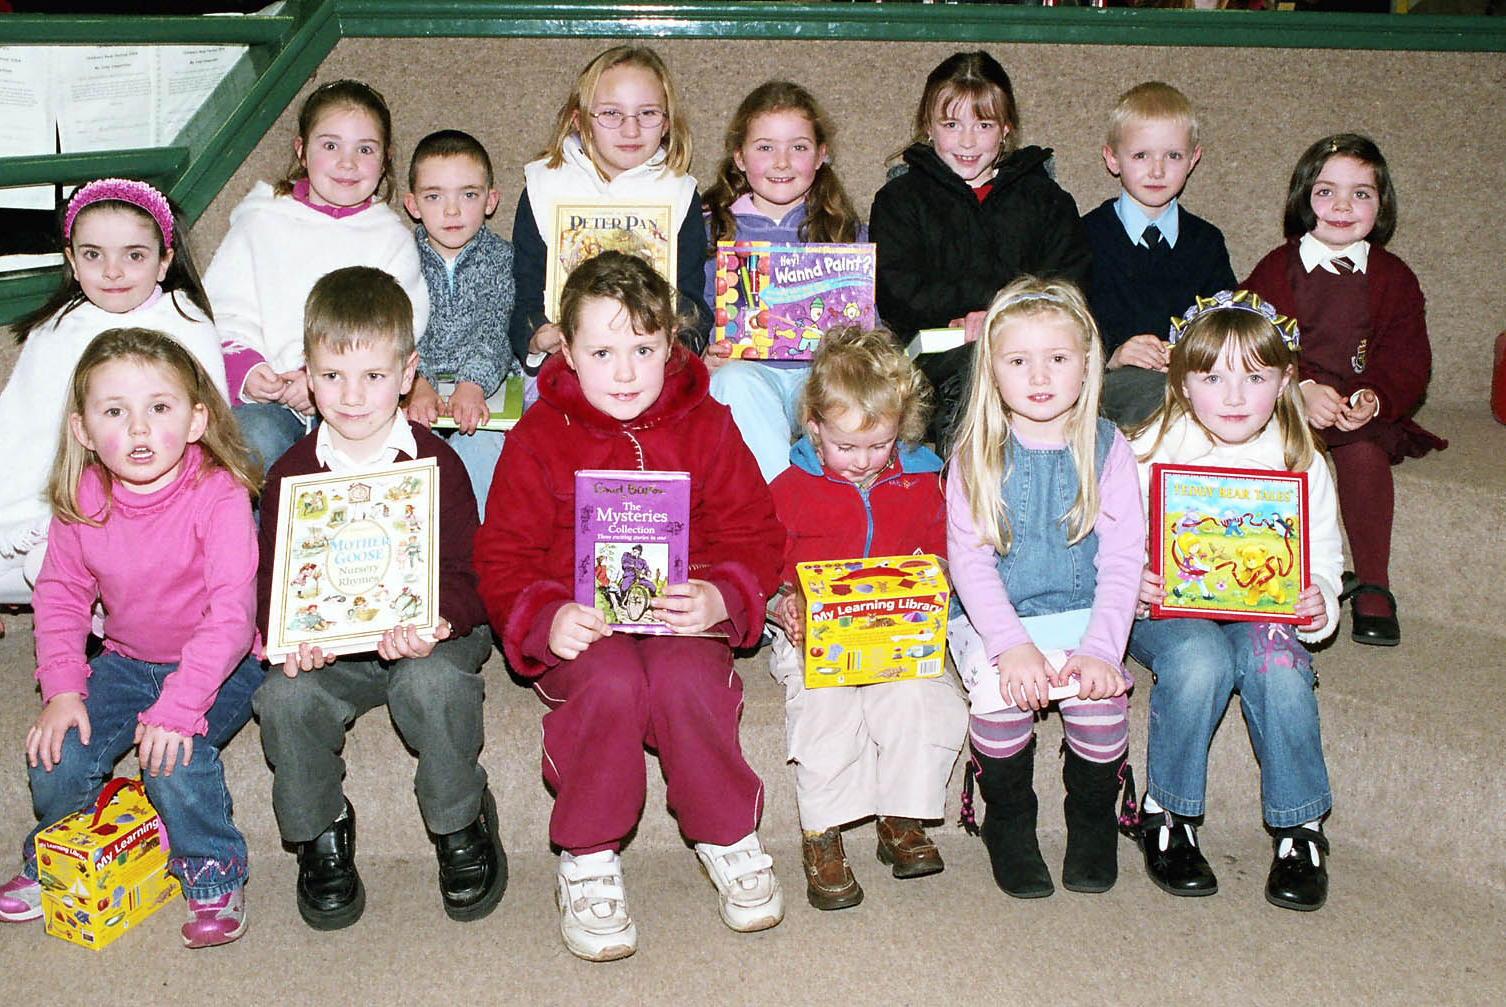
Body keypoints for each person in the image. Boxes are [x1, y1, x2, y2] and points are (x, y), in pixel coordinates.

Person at [475, 251, 784, 962]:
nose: (624, 371)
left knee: (682, 679)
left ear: (671, 346)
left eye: (643, 350)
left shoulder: (709, 423)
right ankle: (587, 851)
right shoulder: (537, 437)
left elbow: (757, 532)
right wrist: (546, 614)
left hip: (682, 614)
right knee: (613, 679)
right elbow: (503, 557)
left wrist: (721, 593)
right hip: (582, 629)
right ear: (568, 352)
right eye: (603, 351)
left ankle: (726, 831)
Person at [0, 327, 266, 948]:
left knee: (172, 757)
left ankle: (212, 868)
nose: (138, 429)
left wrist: (180, 707)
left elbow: (231, 615)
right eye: (115, 412)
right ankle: (56, 860)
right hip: (128, 659)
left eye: (158, 409)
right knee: (58, 751)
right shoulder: (82, 498)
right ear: (83, 429)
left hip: (225, 661)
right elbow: (60, 597)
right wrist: (62, 688)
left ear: (195, 421)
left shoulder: (217, 494)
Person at [250, 267, 502, 930]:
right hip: (337, 647)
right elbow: (273, 577)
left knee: (431, 686)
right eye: (332, 376)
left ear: (407, 372)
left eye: (372, 376)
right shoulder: (290, 475)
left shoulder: (435, 461)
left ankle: (459, 818)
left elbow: (472, 574)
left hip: (431, 633)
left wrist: (438, 617)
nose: (353, 395)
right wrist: (285, 631)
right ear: (306, 375)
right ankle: (321, 830)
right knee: (284, 696)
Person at [0, 178, 225, 635]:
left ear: (164, 262)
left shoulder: (186, 323)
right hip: (61, 507)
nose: (113, 271)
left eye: (134, 255)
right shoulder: (59, 330)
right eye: (93, 254)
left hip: (153, 514)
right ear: (72, 262)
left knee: (48, 562)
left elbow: (211, 441)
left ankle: (123, 615)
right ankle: (103, 601)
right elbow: (14, 442)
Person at [1126, 290, 1343, 911]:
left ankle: (1300, 827)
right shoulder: (1149, 447)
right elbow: (1103, 541)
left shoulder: (1300, 458)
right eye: (1212, 376)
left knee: (1277, 662)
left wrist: (1320, 602)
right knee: (1201, 658)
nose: (1233, 395)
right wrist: (1132, 584)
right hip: (1166, 609)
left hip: (1263, 610)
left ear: (1284, 384)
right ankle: (1168, 812)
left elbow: (1324, 559)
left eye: (1254, 377)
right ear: (1182, 384)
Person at [943, 277, 1143, 898]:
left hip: (1083, 612)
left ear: (1087, 365)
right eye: (1018, 360)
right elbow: (970, 567)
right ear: (992, 371)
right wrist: (1011, 647)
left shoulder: (1110, 450)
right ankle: (1010, 817)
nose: (1039, 376)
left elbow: (1122, 562)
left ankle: (1092, 819)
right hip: (990, 618)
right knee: (1001, 697)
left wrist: (1103, 649)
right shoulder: (973, 453)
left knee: (1099, 699)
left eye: (1058, 358)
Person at [764, 326, 965, 911]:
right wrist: (781, 600)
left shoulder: (923, 481)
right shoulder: (791, 487)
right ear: (814, 428)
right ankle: (821, 833)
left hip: (899, 634)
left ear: (899, 428)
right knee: (826, 707)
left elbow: (946, 549)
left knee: (924, 699)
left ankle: (901, 817)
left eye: (878, 446)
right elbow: (759, 559)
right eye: (845, 447)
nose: (862, 462)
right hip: (813, 631)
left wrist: (935, 579)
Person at [1243, 133, 1443, 647]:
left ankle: (1374, 581)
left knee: (1365, 456)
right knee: (1275, 456)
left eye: (1361, 194)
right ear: (1303, 199)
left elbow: (1408, 357)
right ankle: (1278, 573)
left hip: (1359, 405)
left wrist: (1374, 395)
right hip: (1288, 403)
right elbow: (1248, 341)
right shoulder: (1275, 269)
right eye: (1326, 191)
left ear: (1382, 205)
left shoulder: (1393, 278)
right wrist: (1298, 387)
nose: (1342, 206)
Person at [204, 79, 428, 474]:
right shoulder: (261, 220)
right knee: (253, 443)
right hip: (269, 400)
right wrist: (250, 372)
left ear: (385, 160)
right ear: (301, 151)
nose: (347, 163)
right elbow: (223, 308)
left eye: (364, 149)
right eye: (330, 146)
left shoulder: (390, 238)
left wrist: (323, 379)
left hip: (358, 398)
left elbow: (402, 324)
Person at [870, 51, 1091, 446]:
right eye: (951, 124)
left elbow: (1069, 281)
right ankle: (969, 490)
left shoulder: (1046, 199)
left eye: (984, 124)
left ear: (1006, 128)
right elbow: (895, 289)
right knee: (975, 366)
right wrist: (971, 315)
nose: (968, 141)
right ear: (928, 126)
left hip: (1035, 348)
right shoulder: (899, 200)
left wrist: (1000, 315)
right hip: (936, 359)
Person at [509, 45, 711, 375]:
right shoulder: (544, 186)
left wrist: (678, 350)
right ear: (579, 121)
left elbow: (690, 301)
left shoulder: (679, 192)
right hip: (565, 364)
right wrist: (535, 338)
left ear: (666, 124)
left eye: (647, 113)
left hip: (651, 368)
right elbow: (524, 294)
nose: (630, 130)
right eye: (611, 113)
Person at [700, 80, 867, 481]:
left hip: (821, 371)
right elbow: (699, 308)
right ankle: (779, 505)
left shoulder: (845, 229)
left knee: (855, 386)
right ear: (739, 157)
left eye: (798, 147)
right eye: (765, 147)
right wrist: (707, 353)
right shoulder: (714, 227)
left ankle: (832, 504)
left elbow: (868, 316)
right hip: (749, 370)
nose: (782, 162)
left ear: (821, 155)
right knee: (732, 381)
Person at [1082, 82, 1236, 427]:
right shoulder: (1083, 236)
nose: (1157, 170)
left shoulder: (1206, 242)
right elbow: (1066, 319)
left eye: (1173, 156)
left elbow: (1225, 322)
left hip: (1194, 382)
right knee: (1156, 397)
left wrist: (1189, 355)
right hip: (1112, 383)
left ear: (1193, 159)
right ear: (1112, 159)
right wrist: (1113, 353)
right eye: (1141, 156)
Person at [400, 129, 517, 519]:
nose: (452, 211)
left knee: (483, 453)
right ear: (413, 205)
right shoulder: (400, 256)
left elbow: (497, 328)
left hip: (484, 391)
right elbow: (400, 330)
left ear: (491, 200)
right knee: (404, 448)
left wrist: (473, 383)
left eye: (468, 195)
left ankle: (475, 550)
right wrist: (418, 382)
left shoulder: (502, 258)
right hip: (418, 386)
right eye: (434, 197)